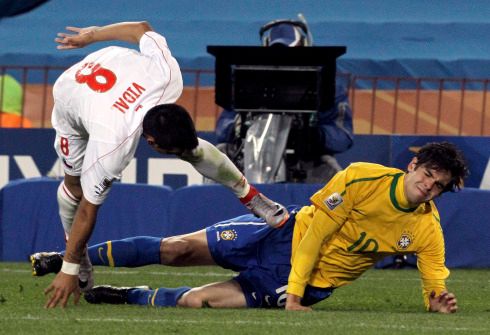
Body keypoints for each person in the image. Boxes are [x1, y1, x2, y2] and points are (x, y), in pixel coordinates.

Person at [32, 142, 467, 313]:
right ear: (412, 166)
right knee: (177, 249)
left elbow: (434, 277)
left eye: (438, 186)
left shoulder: (427, 230)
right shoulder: (360, 176)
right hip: (281, 234)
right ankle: (66, 259)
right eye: (427, 175)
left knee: (197, 303)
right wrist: (293, 300)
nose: (428, 187)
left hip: (304, 281)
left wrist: (436, 299)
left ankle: (123, 296)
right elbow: (315, 234)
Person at [42, 21, 289, 309]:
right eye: (170, 151)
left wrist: (93, 34)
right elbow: (87, 208)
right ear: (150, 142)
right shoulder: (111, 147)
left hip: (112, 68)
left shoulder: (168, 76)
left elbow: (140, 28)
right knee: (74, 184)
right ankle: (81, 260)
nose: (176, 155)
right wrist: (68, 268)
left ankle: (253, 199)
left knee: (192, 149)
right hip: (72, 94)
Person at [215, 18, 354, 183]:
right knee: (219, 155)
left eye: (292, 52)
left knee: (334, 176)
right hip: (251, 156)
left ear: (304, 47)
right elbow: (222, 129)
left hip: (309, 160)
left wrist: (316, 136)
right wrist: (237, 128)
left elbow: (343, 134)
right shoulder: (247, 81)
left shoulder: (329, 86)